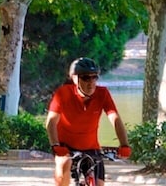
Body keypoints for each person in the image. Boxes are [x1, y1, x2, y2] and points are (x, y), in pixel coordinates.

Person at [47, 57, 130, 186]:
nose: (91, 82)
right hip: (65, 148)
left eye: (94, 77)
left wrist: (124, 145)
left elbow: (115, 118)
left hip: (92, 148)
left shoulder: (103, 94)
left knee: (98, 184)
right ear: (75, 78)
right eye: (85, 78)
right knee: (64, 164)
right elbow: (51, 122)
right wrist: (55, 145)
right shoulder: (63, 93)